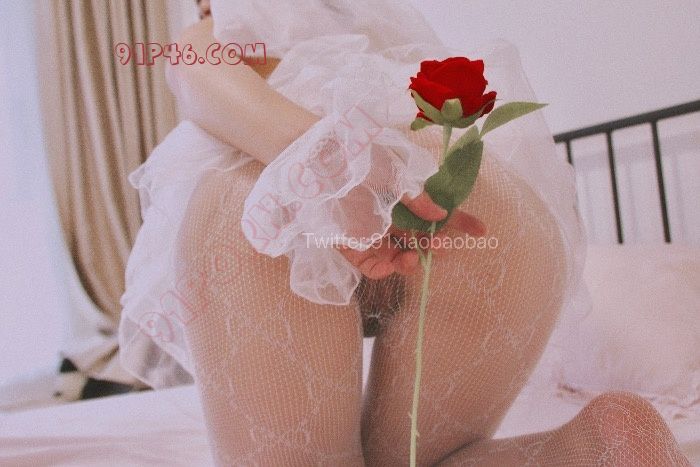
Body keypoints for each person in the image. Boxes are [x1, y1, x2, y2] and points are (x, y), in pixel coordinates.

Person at [119, 1, 691, 465]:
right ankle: (591, 450)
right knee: (427, 460)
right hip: (471, 189)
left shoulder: (223, 27)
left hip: (267, 201)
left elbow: (191, 71)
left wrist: (332, 164)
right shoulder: (376, 33)